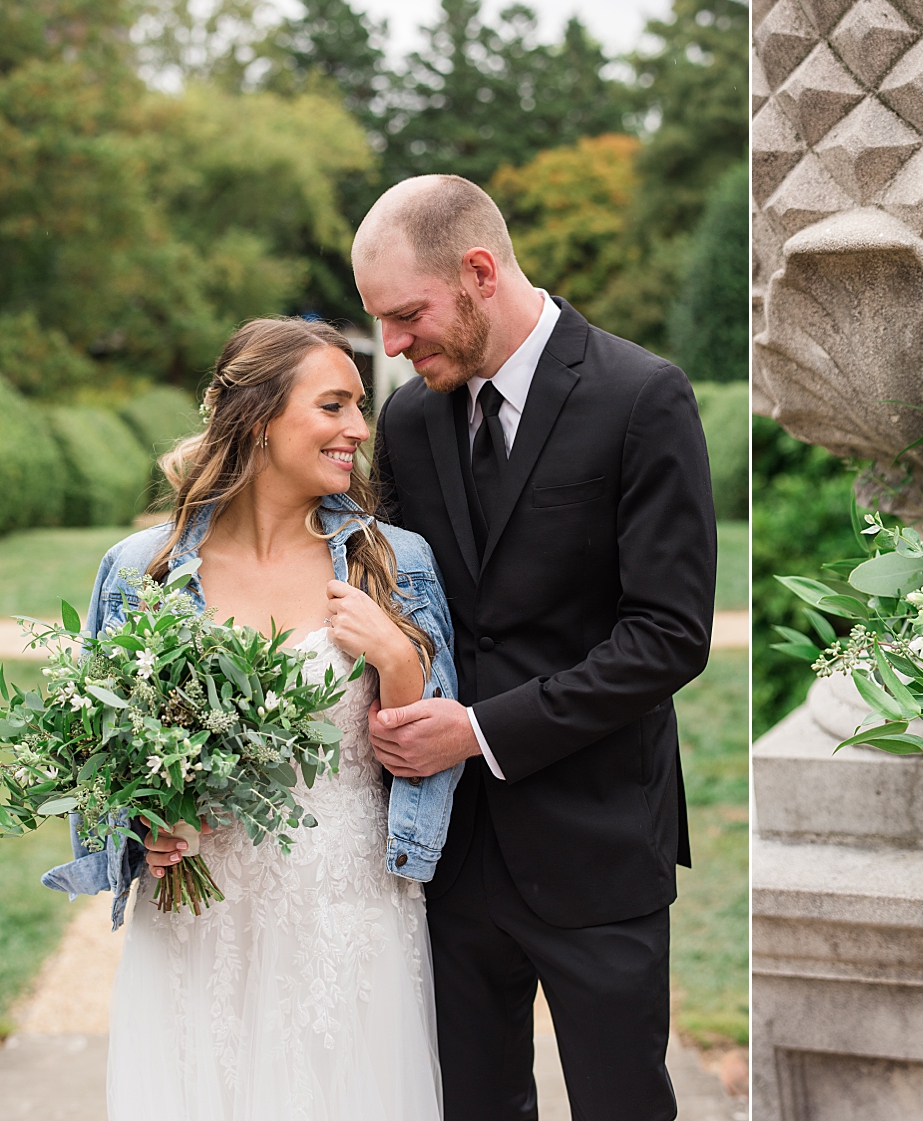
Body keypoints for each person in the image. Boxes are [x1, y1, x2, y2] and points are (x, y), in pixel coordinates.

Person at [351, 174, 717, 1121]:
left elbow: (668, 637)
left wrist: (477, 729)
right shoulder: (408, 420)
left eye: (406, 315)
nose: (392, 345)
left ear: (478, 272)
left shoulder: (643, 397)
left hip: (597, 843)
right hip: (451, 849)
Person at [44, 318, 464, 1120]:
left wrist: (399, 662)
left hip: (349, 911)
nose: (358, 428)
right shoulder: (145, 570)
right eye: (333, 405)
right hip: (198, 918)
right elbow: (100, 756)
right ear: (258, 419)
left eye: (359, 407)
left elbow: (427, 759)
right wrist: (151, 820)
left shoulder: (393, 561)